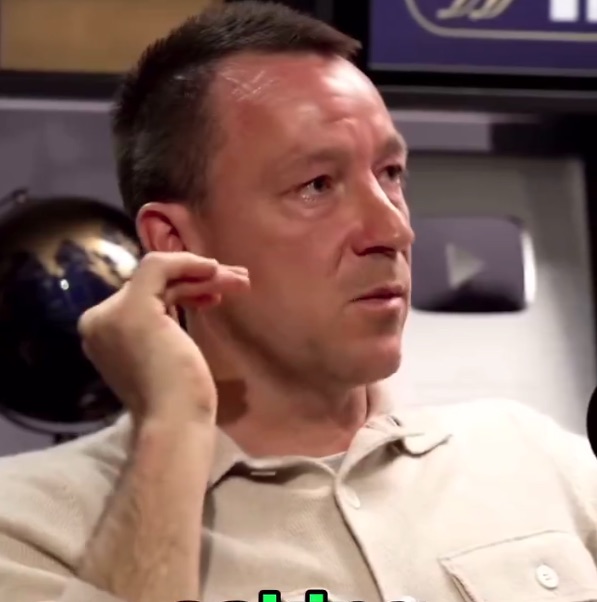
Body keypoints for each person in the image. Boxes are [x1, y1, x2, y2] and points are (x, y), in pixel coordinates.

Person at [1, 2, 597, 602]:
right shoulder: (25, 526)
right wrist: (172, 430)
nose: (392, 230)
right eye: (316, 185)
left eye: (390, 173)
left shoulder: (537, 459)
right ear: (178, 243)